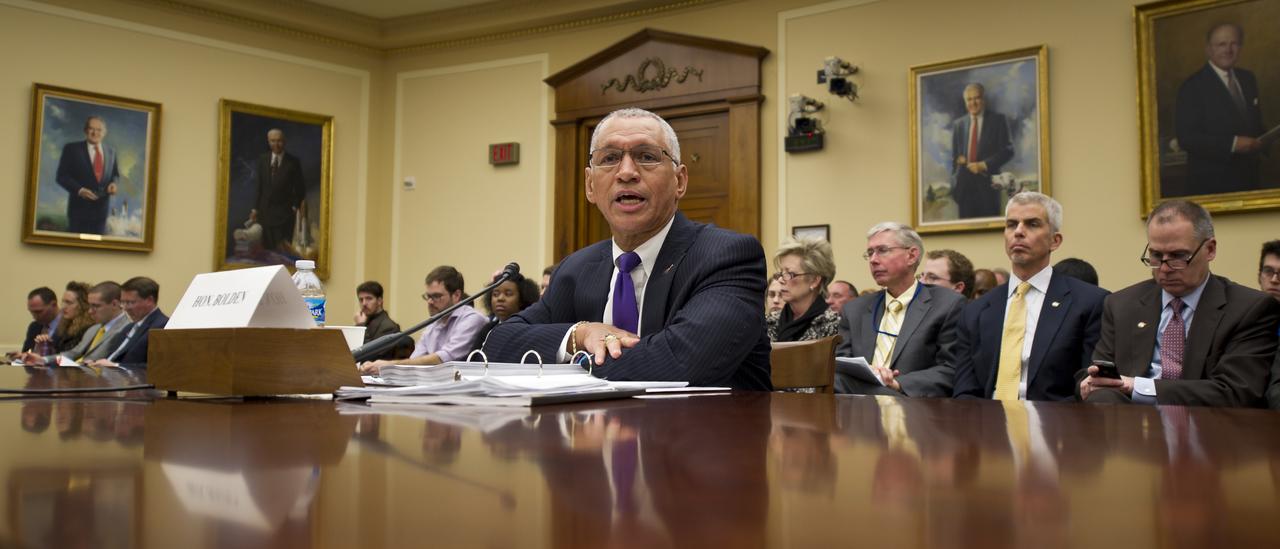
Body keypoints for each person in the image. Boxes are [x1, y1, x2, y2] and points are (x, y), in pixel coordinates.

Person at [483, 108, 772, 389]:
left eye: (646, 157)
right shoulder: (577, 268)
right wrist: (579, 335)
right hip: (592, 435)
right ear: (590, 186)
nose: (626, 172)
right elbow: (498, 345)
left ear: (679, 181)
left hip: (709, 434)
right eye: (609, 158)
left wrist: (569, 364)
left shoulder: (726, 256)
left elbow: (679, 364)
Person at [1081, 200, 1279, 407]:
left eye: (1178, 256)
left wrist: (1138, 387)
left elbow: (1236, 390)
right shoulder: (1121, 304)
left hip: (1206, 425)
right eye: (1156, 256)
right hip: (1131, 423)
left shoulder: (1248, 309)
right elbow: (1102, 372)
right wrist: (1094, 382)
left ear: (1210, 249)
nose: (1165, 268)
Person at [952, 192, 1108, 401]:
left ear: (1055, 240)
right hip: (986, 424)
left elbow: (1088, 387)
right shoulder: (975, 311)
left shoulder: (1090, 303)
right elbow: (965, 390)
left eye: (1032, 224)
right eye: (1011, 224)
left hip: (1056, 425)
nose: (1018, 232)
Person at [836, 222, 966, 397]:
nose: (873, 260)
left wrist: (897, 384)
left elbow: (951, 369)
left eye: (882, 250)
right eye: (870, 253)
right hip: (855, 408)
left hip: (911, 406)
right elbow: (839, 366)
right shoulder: (855, 310)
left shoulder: (947, 305)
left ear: (911, 256)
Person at [1174, 23, 1269, 195]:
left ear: (1240, 47)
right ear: (1209, 49)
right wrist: (1232, 144)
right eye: (1222, 44)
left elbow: (1253, 123)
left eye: (1234, 43)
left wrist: (1267, 139)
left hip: (1251, 181)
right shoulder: (1192, 87)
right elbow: (1187, 138)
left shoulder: (1248, 78)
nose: (1228, 50)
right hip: (1213, 186)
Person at [359, 266, 487, 373]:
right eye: (428, 296)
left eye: (436, 296)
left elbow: (442, 359)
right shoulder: (435, 322)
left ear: (457, 295)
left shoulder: (472, 319)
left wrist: (389, 366)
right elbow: (416, 359)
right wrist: (378, 367)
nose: (430, 302)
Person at [21, 281, 130, 366]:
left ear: (115, 304)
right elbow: (73, 353)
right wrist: (43, 359)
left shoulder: (126, 329)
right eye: (89, 305)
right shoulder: (94, 328)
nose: (90, 311)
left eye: (96, 306)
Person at [950, 83, 1014, 219]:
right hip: (964, 190)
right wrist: (955, 183)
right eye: (969, 99)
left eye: (976, 98)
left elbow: (1008, 150)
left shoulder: (998, 120)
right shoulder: (958, 125)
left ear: (983, 99)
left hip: (988, 189)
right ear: (965, 102)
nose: (973, 103)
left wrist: (984, 165)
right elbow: (955, 159)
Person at [54, 116, 120, 235]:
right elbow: (61, 176)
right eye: (91, 129)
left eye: (99, 130)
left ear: (104, 132)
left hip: (101, 213)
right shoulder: (71, 149)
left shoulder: (111, 152)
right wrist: (80, 190)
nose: (95, 133)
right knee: (75, 250)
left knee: (96, 251)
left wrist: (114, 183)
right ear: (85, 130)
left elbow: (115, 174)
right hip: (79, 212)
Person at [767, 237, 839, 342]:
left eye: (789, 274)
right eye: (781, 273)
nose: (781, 280)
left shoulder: (832, 325)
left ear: (815, 280)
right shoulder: (769, 322)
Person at [88, 276, 169, 368]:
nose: (125, 308)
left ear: (149, 300)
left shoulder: (162, 326)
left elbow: (157, 366)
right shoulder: (129, 327)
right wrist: (95, 362)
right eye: (123, 302)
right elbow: (113, 356)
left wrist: (116, 366)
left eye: (130, 302)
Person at [255, 128, 307, 253]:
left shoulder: (293, 162)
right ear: (268, 142)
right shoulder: (262, 159)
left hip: (285, 216)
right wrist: (255, 209)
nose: (276, 144)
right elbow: (259, 186)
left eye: (279, 141)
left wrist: (294, 206)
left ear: (284, 142)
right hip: (265, 214)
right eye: (273, 141)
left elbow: (300, 187)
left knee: (283, 254)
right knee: (267, 255)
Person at [473, 273, 540, 352]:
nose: (500, 298)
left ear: (522, 299)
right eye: (495, 294)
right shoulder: (488, 329)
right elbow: (472, 359)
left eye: (508, 294)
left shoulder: (529, 328)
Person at [353, 281, 410, 360]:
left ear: (379, 301)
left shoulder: (389, 327)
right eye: (361, 300)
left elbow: (370, 355)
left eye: (369, 298)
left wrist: (360, 326)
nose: (364, 303)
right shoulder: (365, 320)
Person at [47, 282, 94, 354]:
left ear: (83, 305)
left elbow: (74, 356)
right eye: (63, 302)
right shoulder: (63, 326)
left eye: (69, 303)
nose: (63, 307)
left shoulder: (90, 329)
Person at [19, 287, 59, 354]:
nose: (34, 317)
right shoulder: (34, 326)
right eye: (31, 312)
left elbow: (70, 356)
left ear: (53, 305)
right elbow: (26, 352)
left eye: (38, 312)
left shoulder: (71, 327)